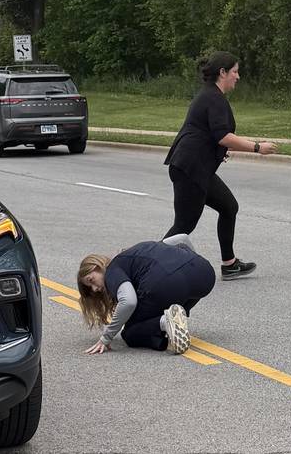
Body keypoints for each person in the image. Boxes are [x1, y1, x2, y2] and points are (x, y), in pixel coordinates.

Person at [163, 51, 278, 281]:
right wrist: (257, 147)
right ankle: (148, 265)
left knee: (228, 207)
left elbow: (211, 135)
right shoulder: (213, 98)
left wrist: (220, 150)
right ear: (222, 73)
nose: (238, 77)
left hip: (198, 168)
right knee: (184, 226)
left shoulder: (212, 96)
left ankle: (230, 264)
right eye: (234, 72)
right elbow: (222, 135)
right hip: (190, 168)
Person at [77, 234, 215, 355]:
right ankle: (174, 317)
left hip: (167, 283)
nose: (95, 289)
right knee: (153, 304)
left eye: (91, 280)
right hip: (205, 274)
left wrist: (106, 338)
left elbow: (128, 301)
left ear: (97, 266)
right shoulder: (141, 250)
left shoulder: (112, 270)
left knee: (130, 332)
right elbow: (182, 238)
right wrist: (189, 266)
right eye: (91, 288)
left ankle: (165, 321)